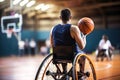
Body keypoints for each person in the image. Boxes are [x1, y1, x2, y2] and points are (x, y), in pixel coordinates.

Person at [49, 8, 87, 79]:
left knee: (63, 53)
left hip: (58, 56)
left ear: (60, 17)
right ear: (70, 17)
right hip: (72, 56)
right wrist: (84, 36)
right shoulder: (74, 28)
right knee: (83, 56)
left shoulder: (53, 29)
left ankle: (65, 72)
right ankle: (81, 74)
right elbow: (82, 46)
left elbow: (52, 44)